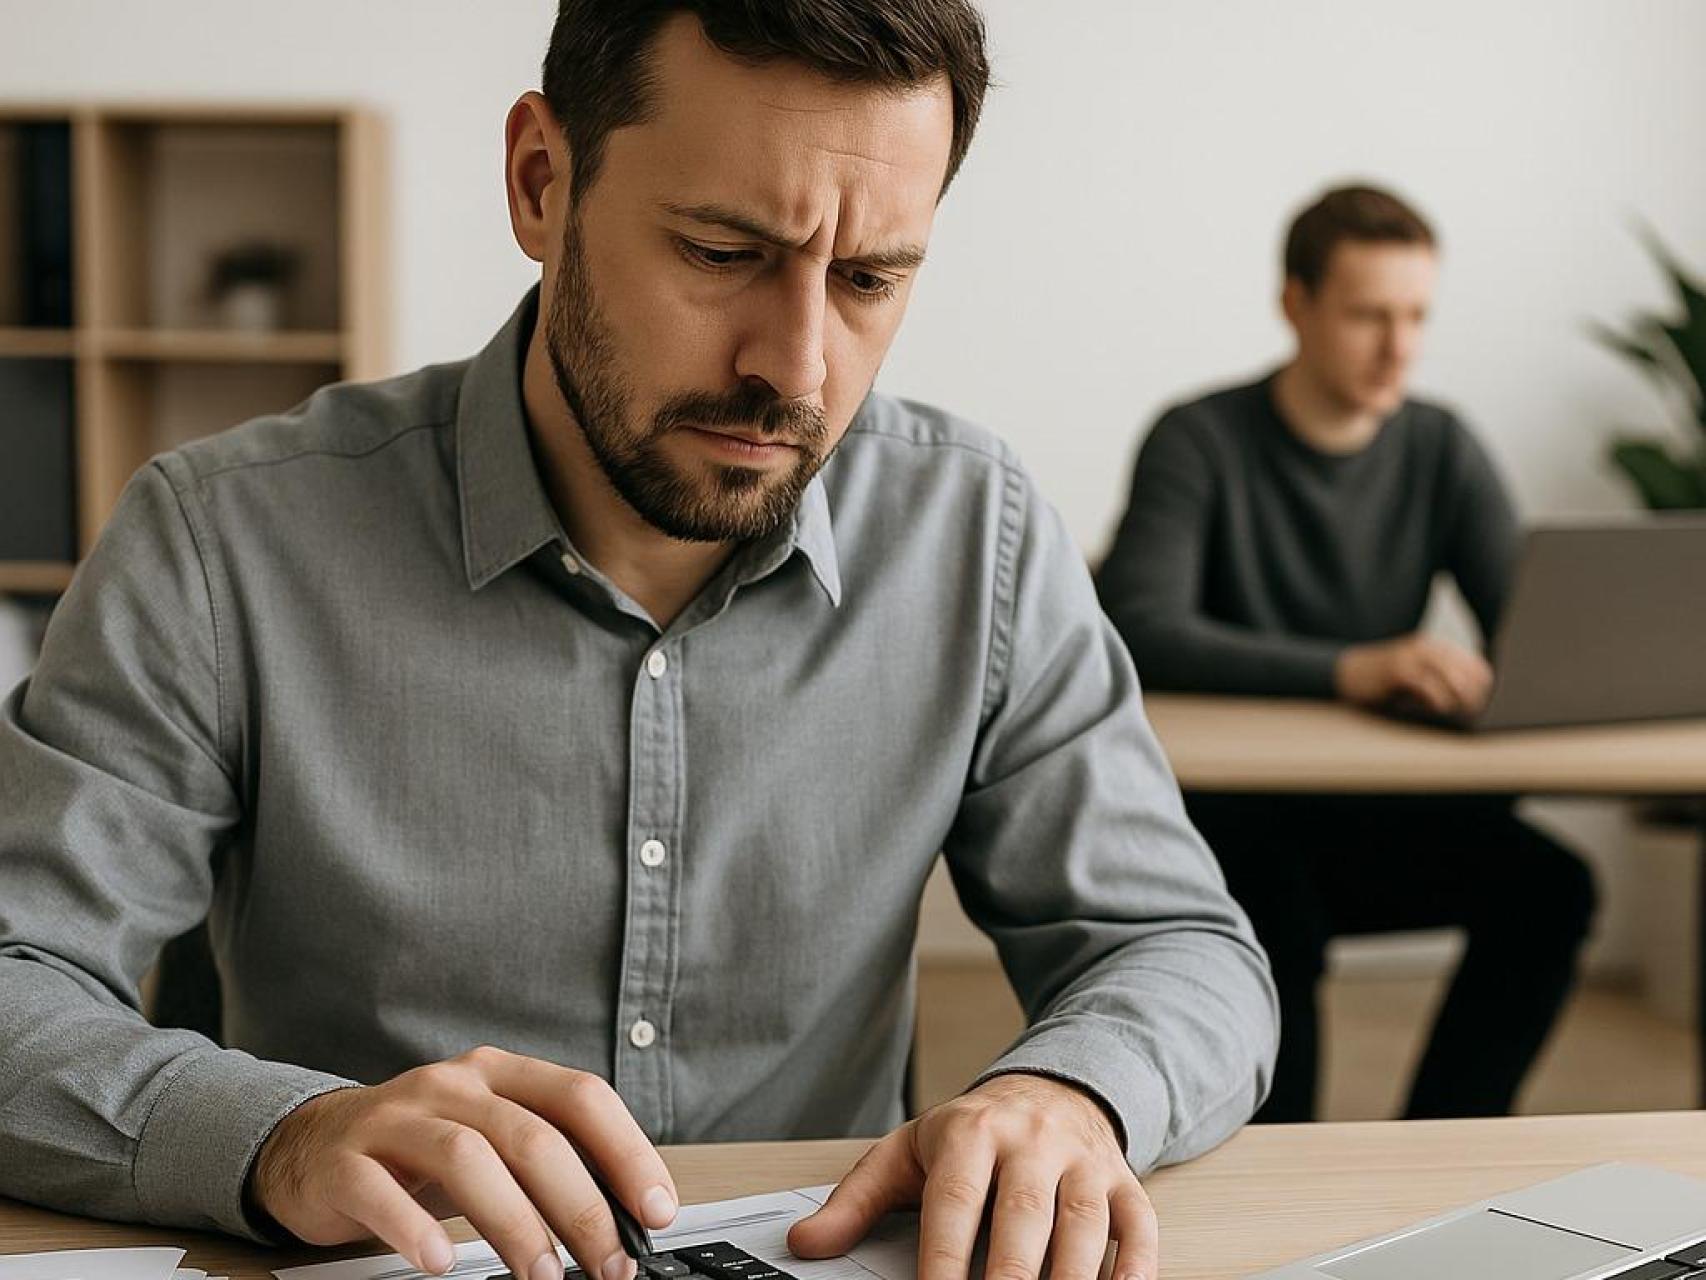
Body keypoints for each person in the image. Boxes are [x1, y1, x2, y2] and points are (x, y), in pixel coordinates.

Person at [0, 5, 1278, 1280]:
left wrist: (1066, 1094)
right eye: (723, 251)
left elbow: (1180, 948)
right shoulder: (222, 541)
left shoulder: (974, 533)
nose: (797, 368)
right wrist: (282, 1135)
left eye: (867, 278)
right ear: (541, 183)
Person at [1096, 184, 1595, 1124]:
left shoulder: (1438, 445)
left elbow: (1529, 631)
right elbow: (1140, 624)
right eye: (1370, 315)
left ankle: (1442, 1149)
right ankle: (1282, 1180)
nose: (1398, 347)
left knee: (1553, 889)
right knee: (1272, 911)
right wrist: (1351, 669)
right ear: (1297, 305)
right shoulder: (1199, 438)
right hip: (1231, 821)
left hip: (1380, 809)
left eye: (1415, 316)